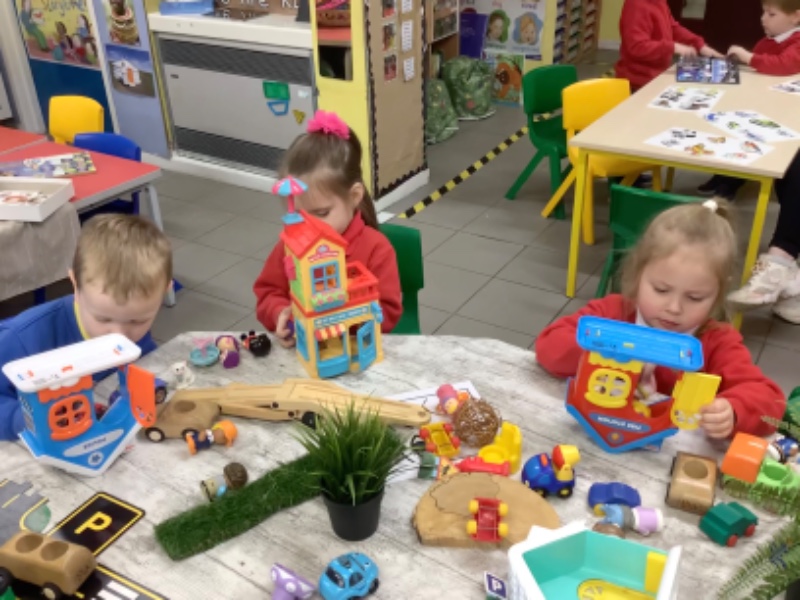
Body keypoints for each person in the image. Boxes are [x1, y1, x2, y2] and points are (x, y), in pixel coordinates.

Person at [535, 200, 785, 439]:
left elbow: (771, 401)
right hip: (594, 433)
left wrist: (734, 410)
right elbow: (549, 345)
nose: (674, 308)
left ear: (718, 293)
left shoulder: (717, 341)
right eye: (661, 290)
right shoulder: (614, 312)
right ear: (638, 272)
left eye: (695, 297)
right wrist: (611, 356)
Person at [0, 214, 172, 441]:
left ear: (165, 292)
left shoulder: (123, 322)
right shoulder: (23, 338)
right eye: (103, 319)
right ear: (75, 285)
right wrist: (24, 420)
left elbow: (144, 363)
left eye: (137, 321)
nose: (119, 335)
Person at [253, 111, 402, 347]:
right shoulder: (291, 246)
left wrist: (339, 316)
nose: (309, 225)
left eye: (321, 213)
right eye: (299, 214)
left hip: (356, 351)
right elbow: (268, 292)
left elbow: (389, 313)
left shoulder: (376, 249)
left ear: (354, 196)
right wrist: (280, 312)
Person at [698, 0, 800, 199]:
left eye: (771, 15)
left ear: (796, 17)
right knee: (735, 133)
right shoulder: (766, 41)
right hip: (758, 101)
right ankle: (725, 176)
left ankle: (732, 181)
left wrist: (749, 57)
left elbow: (784, 64)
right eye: (763, 13)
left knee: (752, 141)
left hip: (780, 110)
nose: (763, 19)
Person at [615, 0, 723, 92]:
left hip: (656, 77)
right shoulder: (636, 5)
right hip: (637, 83)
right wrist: (673, 47)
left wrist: (699, 44)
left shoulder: (660, 2)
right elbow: (637, 47)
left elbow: (672, 28)